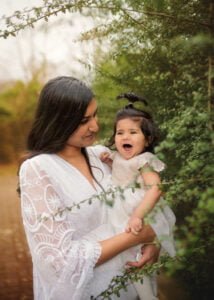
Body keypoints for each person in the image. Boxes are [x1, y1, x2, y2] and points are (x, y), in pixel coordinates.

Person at [18, 76, 174, 300]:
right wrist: (139, 237)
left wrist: (153, 242)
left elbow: (145, 199)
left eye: (95, 115)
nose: (95, 126)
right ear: (58, 121)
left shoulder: (102, 156)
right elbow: (61, 262)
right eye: (84, 120)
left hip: (132, 288)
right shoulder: (38, 169)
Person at [100, 92, 176, 299]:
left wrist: (138, 216)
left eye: (133, 132)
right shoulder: (117, 156)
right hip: (116, 209)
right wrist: (109, 162)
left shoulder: (144, 161)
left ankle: (148, 295)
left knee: (138, 256)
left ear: (148, 139)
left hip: (134, 209)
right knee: (125, 255)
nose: (125, 137)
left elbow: (155, 188)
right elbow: (121, 170)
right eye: (120, 132)